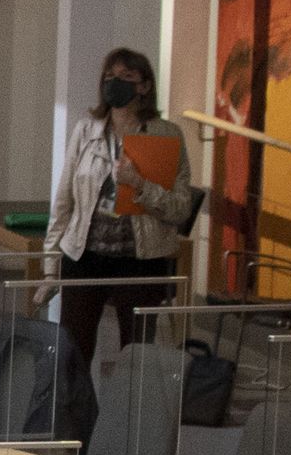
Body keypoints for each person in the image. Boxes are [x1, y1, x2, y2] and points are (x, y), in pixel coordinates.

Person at [45, 47, 202, 371]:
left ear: (144, 85)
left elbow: (180, 209)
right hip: (85, 254)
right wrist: (50, 267)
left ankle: (131, 417)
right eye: (110, 76)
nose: (115, 82)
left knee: (136, 355)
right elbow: (64, 201)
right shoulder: (86, 129)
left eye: (126, 77)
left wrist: (140, 185)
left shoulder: (166, 134)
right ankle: (73, 418)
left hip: (140, 258)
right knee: (73, 350)